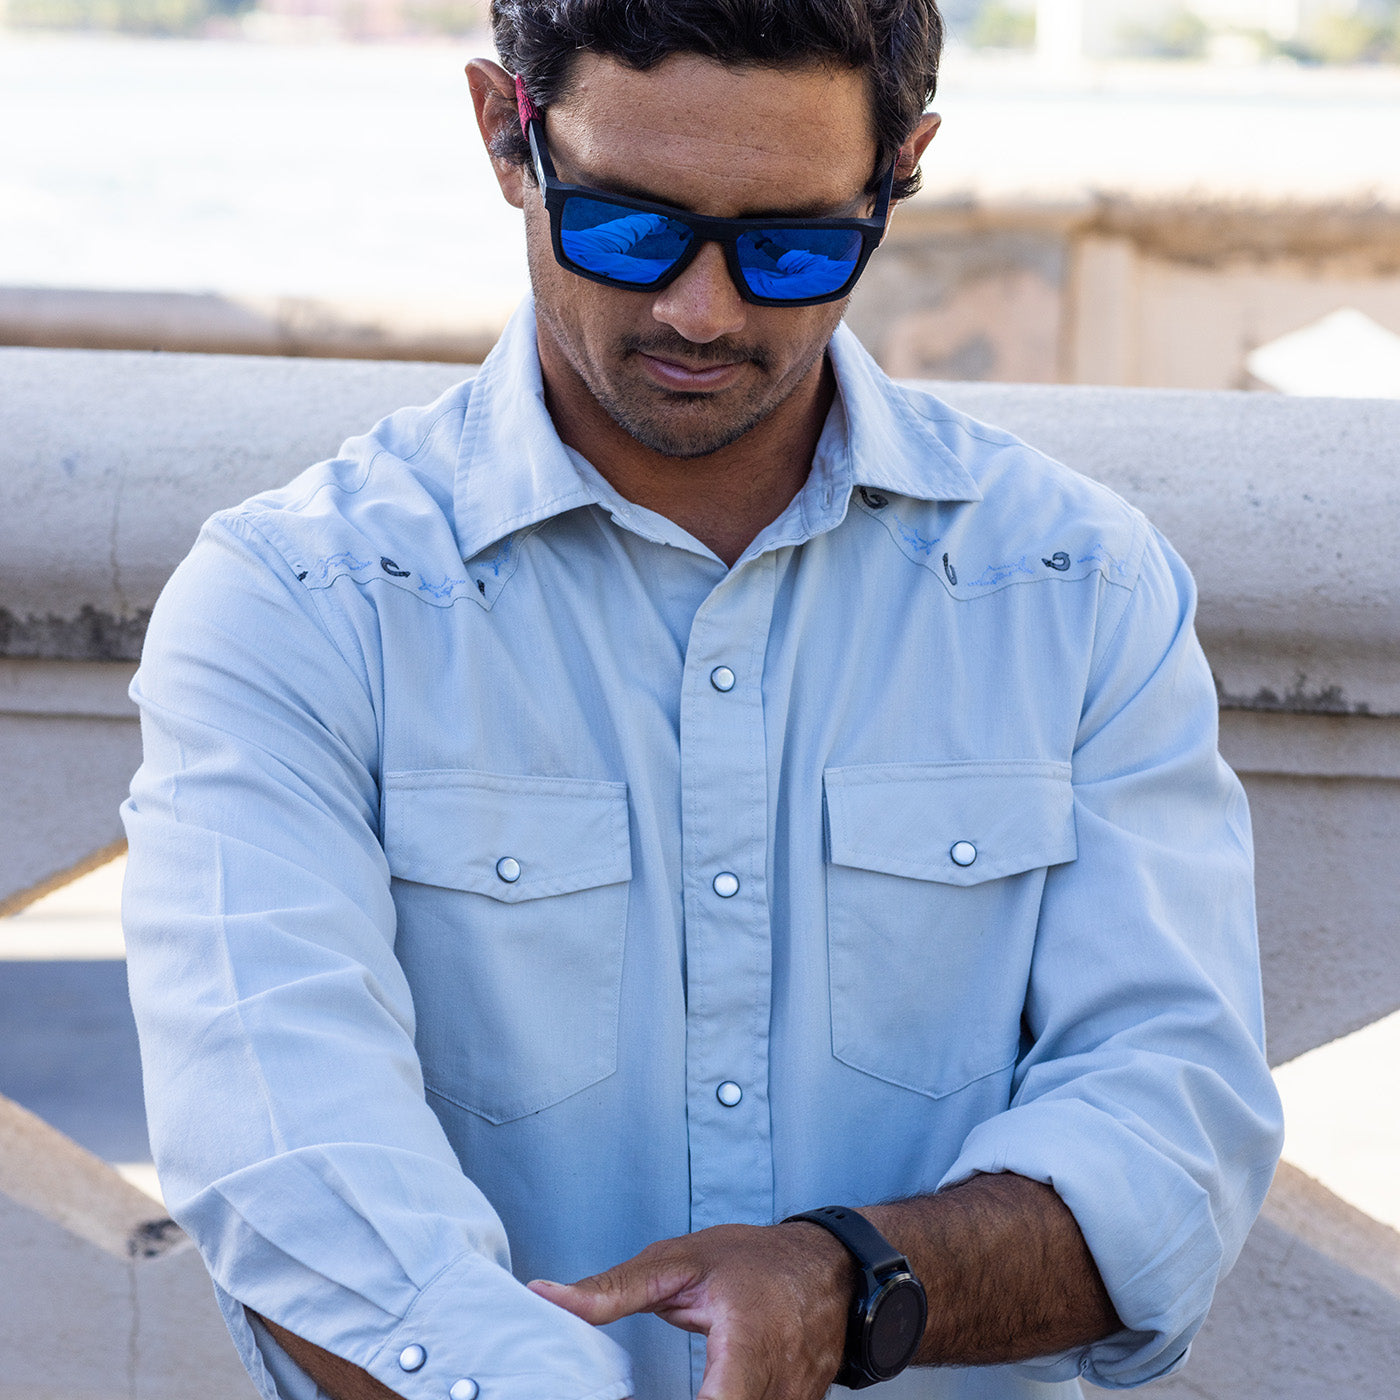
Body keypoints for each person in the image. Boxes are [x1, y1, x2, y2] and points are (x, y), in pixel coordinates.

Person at [120, 2, 1284, 1399]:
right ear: (507, 135)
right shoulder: (298, 602)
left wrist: (850, 1283)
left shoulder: (1075, 585)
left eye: (792, 247)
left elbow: (1175, 1125)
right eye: (628, 227)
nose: (701, 310)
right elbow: (283, 1158)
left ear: (898, 173)